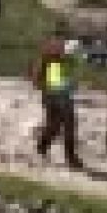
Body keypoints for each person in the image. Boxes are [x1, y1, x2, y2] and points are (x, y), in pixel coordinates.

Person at [32, 36, 83, 169]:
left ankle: (42, 147)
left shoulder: (65, 61)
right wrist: (66, 92)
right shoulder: (57, 61)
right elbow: (55, 84)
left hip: (54, 96)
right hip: (58, 97)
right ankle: (70, 158)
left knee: (54, 126)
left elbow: (63, 80)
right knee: (68, 125)